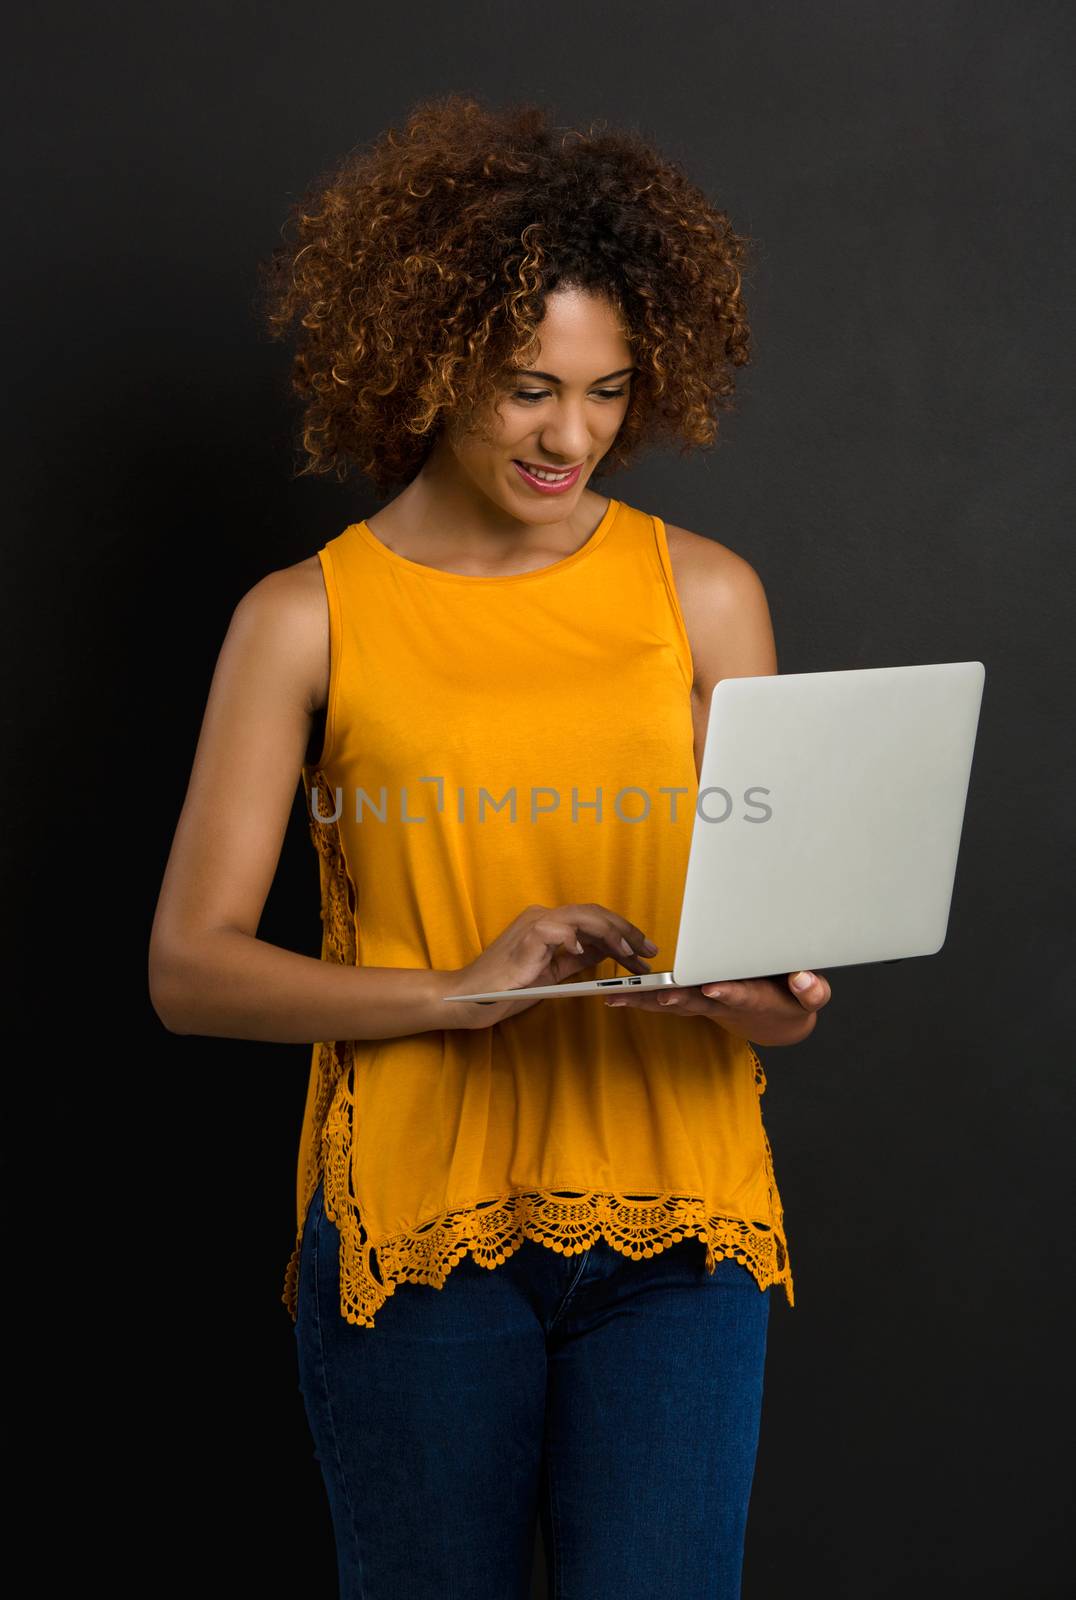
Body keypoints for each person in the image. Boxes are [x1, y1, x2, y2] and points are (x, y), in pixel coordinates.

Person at [148, 93, 832, 1600]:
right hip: (416, 1223)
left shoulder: (708, 598)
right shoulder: (303, 616)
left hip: (679, 1221)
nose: (572, 435)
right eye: (529, 388)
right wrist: (460, 991)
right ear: (433, 358)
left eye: (606, 389)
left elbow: (771, 963)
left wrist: (766, 996)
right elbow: (188, 972)